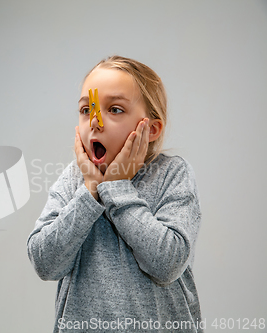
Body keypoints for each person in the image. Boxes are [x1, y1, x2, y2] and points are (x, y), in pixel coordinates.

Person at [27, 55, 203, 333]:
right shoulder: (75, 179)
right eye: (87, 109)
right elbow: (45, 263)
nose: (95, 122)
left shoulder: (172, 174)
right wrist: (90, 191)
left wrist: (116, 187)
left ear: (151, 128)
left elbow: (168, 264)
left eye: (116, 110)